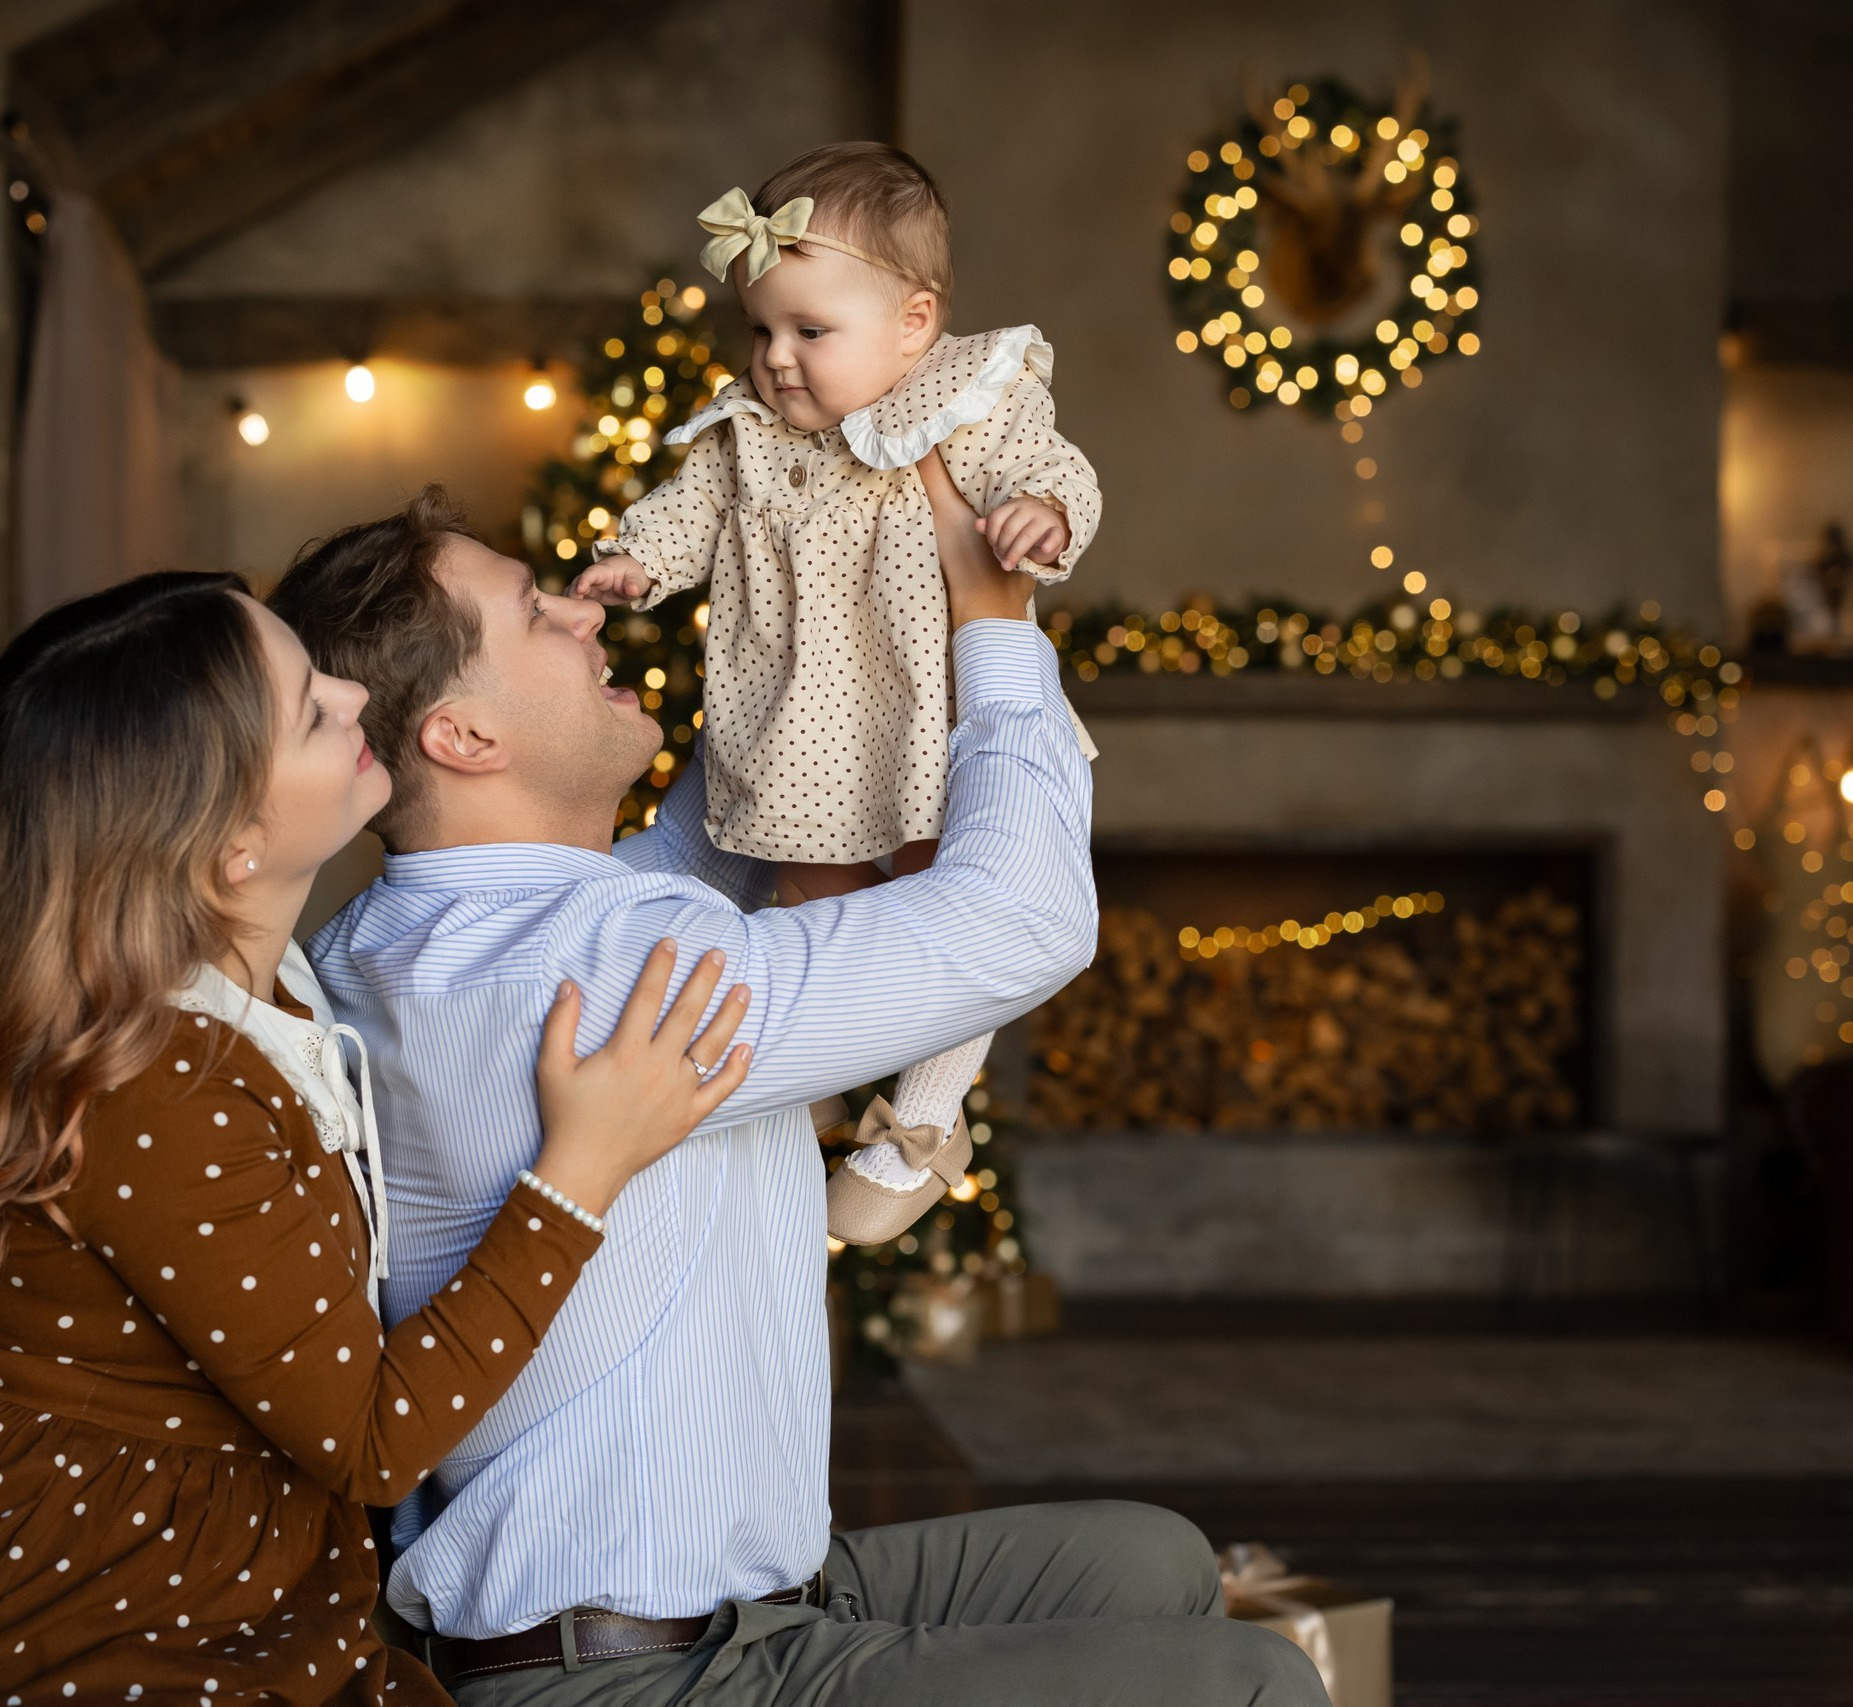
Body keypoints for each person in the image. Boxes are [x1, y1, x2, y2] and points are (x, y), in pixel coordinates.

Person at [269, 494, 1326, 1705]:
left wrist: (838, 575)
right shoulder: (587, 969)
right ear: (462, 738)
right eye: (533, 612)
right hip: (636, 1674)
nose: (578, 608)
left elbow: (732, 820)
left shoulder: (421, 933)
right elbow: (1023, 920)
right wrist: (993, 623)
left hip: (729, 1598)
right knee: (1251, 1685)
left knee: (1153, 1561)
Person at [0, 571, 755, 1706]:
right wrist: (578, 1172)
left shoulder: (280, 990)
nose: (357, 695)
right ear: (230, 850)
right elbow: (371, 1439)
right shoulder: (158, 1083)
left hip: (221, 1521)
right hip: (92, 1558)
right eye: (313, 707)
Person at [573, 141, 1103, 1243]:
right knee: (813, 902)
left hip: (933, 713)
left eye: (811, 332)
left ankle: (920, 1123)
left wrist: (1041, 513)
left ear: (913, 323)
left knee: (941, 903)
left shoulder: (972, 397)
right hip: (808, 727)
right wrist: (639, 563)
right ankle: (823, 1058)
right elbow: (688, 510)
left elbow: (1052, 466)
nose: (776, 360)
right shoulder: (748, 435)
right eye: (761, 330)